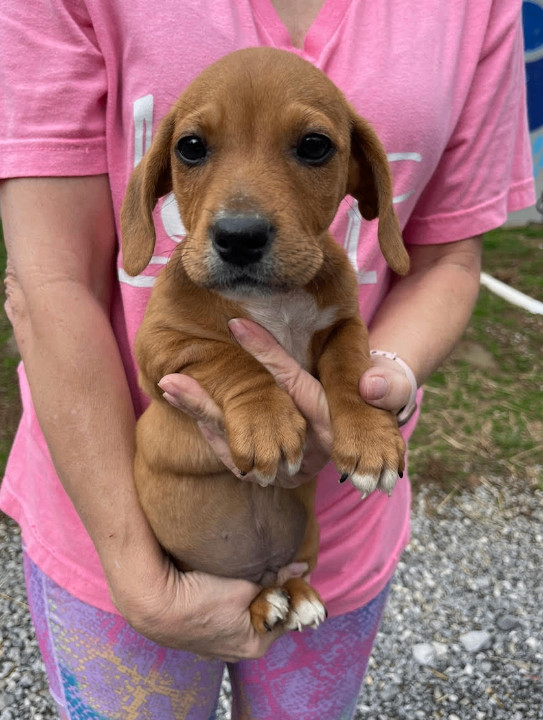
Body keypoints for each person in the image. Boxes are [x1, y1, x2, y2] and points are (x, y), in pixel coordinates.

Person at [0, 1, 534, 718]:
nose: (241, 216)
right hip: (113, 530)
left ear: (359, 175)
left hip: (331, 534)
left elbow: (443, 262)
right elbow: (51, 284)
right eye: (194, 149)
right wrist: (134, 573)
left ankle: (289, 584)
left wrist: (378, 381)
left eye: (310, 149)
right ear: (157, 177)